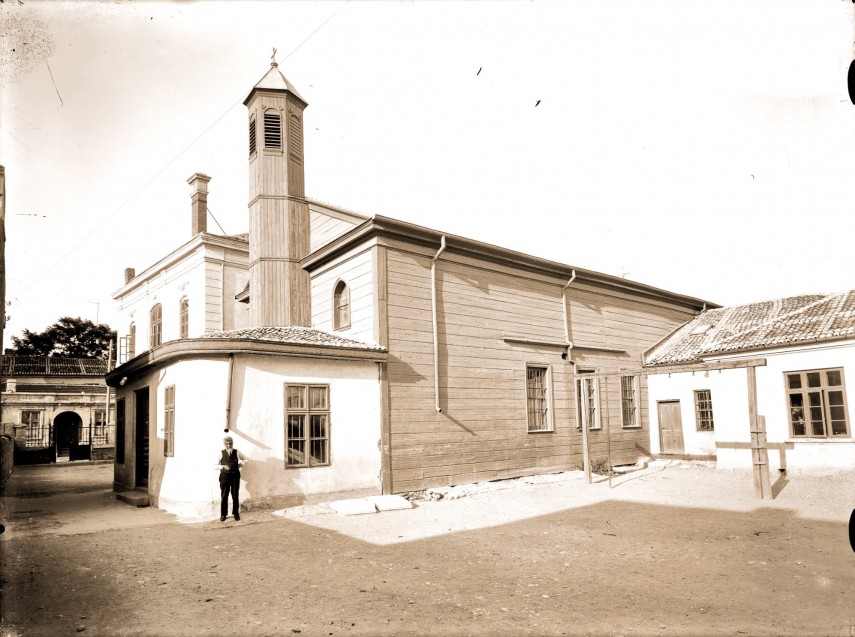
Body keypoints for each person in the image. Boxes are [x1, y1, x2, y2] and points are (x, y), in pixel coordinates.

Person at [217, 436, 246, 521]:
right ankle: (223, 514)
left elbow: (246, 459)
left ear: (232, 443)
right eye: (227, 444)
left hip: (235, 476)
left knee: (235, 495)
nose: (229, 445)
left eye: (230, 443)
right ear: (224, 444)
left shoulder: (237, 452)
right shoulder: (221, 453)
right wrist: (222, 466)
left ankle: (236, 513)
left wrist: (241, 464)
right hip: (224, 477)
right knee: (224, 495)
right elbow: (214, 465)